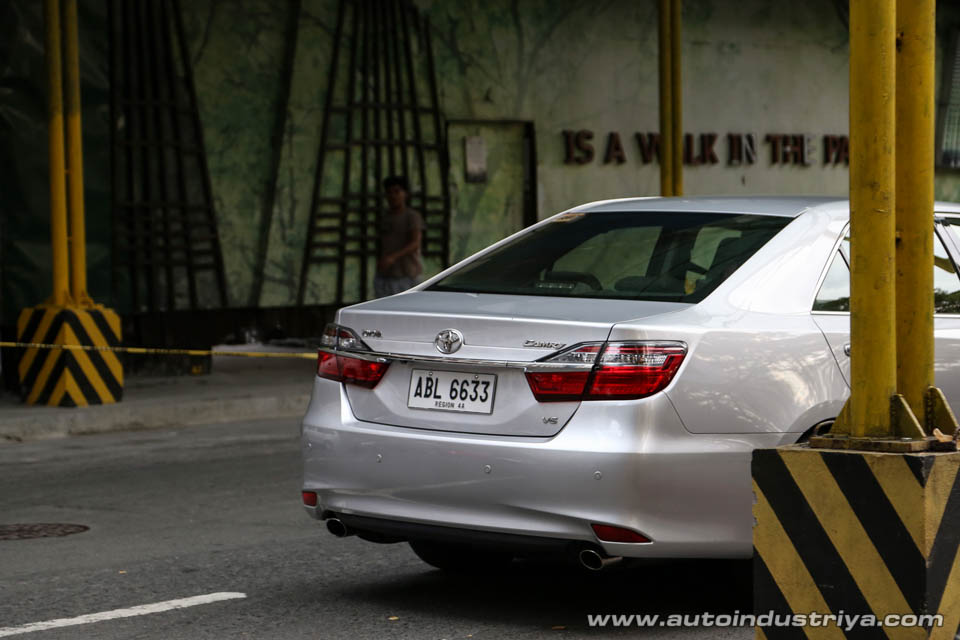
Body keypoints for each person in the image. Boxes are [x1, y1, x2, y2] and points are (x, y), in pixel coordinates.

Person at [374, 176, 425, 298]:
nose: (393, 196)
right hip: (386, 276)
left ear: (405, 194)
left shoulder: (411, 216)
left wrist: (393, 257)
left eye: (397, 192)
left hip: (407, 275)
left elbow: (415, 243)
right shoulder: (384, 217)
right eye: (389, 193)